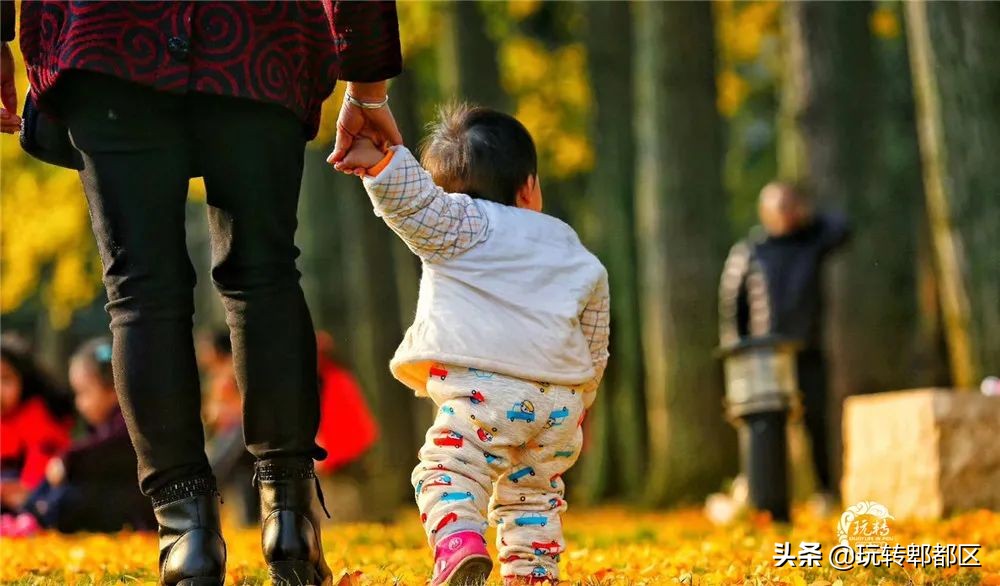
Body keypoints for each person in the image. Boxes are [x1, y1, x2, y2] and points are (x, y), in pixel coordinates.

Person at [1, 2, 402, 583]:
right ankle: (289, 519)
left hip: (110, 36)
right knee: (263, 275)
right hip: (257, 38)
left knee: (141, 291)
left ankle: (186, 534)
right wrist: (367, 84)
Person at [334, 105, 610, 586]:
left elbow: (414, 204)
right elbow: (595, 332)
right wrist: (584, 394)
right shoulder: (568, 243)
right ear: (529, 188)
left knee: (447, 470)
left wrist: (380, 163)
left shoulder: (461, 223)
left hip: (488, 394)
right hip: (561, 404)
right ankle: (532, 574)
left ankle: (460, 542)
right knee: (535, 495)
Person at [722, 181, 850, 509]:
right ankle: (758, 490)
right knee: (762, 425)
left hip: (807, 349)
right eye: (780, 207)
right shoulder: (749, 250)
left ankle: (825, 491)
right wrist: (738, 350)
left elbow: (843, 229)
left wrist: (811, 217)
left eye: (792, 206)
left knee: (816, 422)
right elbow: (731, 304)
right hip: (763, 358)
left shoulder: (812, 241)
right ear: (765, 213)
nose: (787, 213)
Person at [18, 338, 156, 533]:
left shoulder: (129, 423)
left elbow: (106, 451)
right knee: (57, 490)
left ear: (114, 389)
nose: (78, 403)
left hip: (130, 505)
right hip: (111, 498)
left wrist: (68, 460)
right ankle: (28, 513)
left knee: (68, 499)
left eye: (83, 393)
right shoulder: (105, 425)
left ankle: (35, 515)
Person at [0, 335, 73, 514]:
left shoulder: (37, 414)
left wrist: (27, 490)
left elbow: (42, 458)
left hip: (36, 492)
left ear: (24, 381)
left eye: (6, 380)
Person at [199, 330, 258, 527]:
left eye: (205, 348)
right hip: (228, 433)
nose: (201, 354)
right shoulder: (217, 374)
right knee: (244, 481)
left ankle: (201, 514)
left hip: (239, 433)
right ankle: (248, 522)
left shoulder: (234, 370)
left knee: (214, 470)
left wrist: (222, 412)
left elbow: (248, 405)